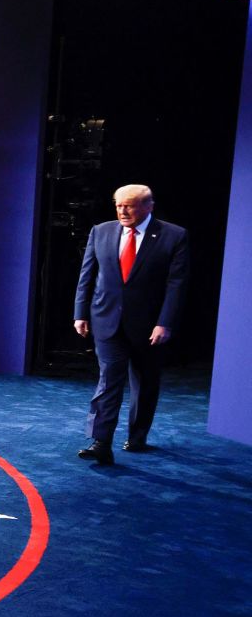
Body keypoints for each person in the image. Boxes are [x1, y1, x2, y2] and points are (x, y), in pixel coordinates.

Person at [74, 184, 189, 464]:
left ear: (148, 206)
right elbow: (87, 275)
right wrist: (80, 312)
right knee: (108, 379)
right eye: (118, 205)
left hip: (150, 326)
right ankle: (101, 441)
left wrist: (165, 323)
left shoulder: (173, 236)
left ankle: (137, 436)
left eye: (130, 205)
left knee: (145, 382)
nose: (122, 211)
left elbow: (176, 285)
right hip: (106, 319)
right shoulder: (101, 231)